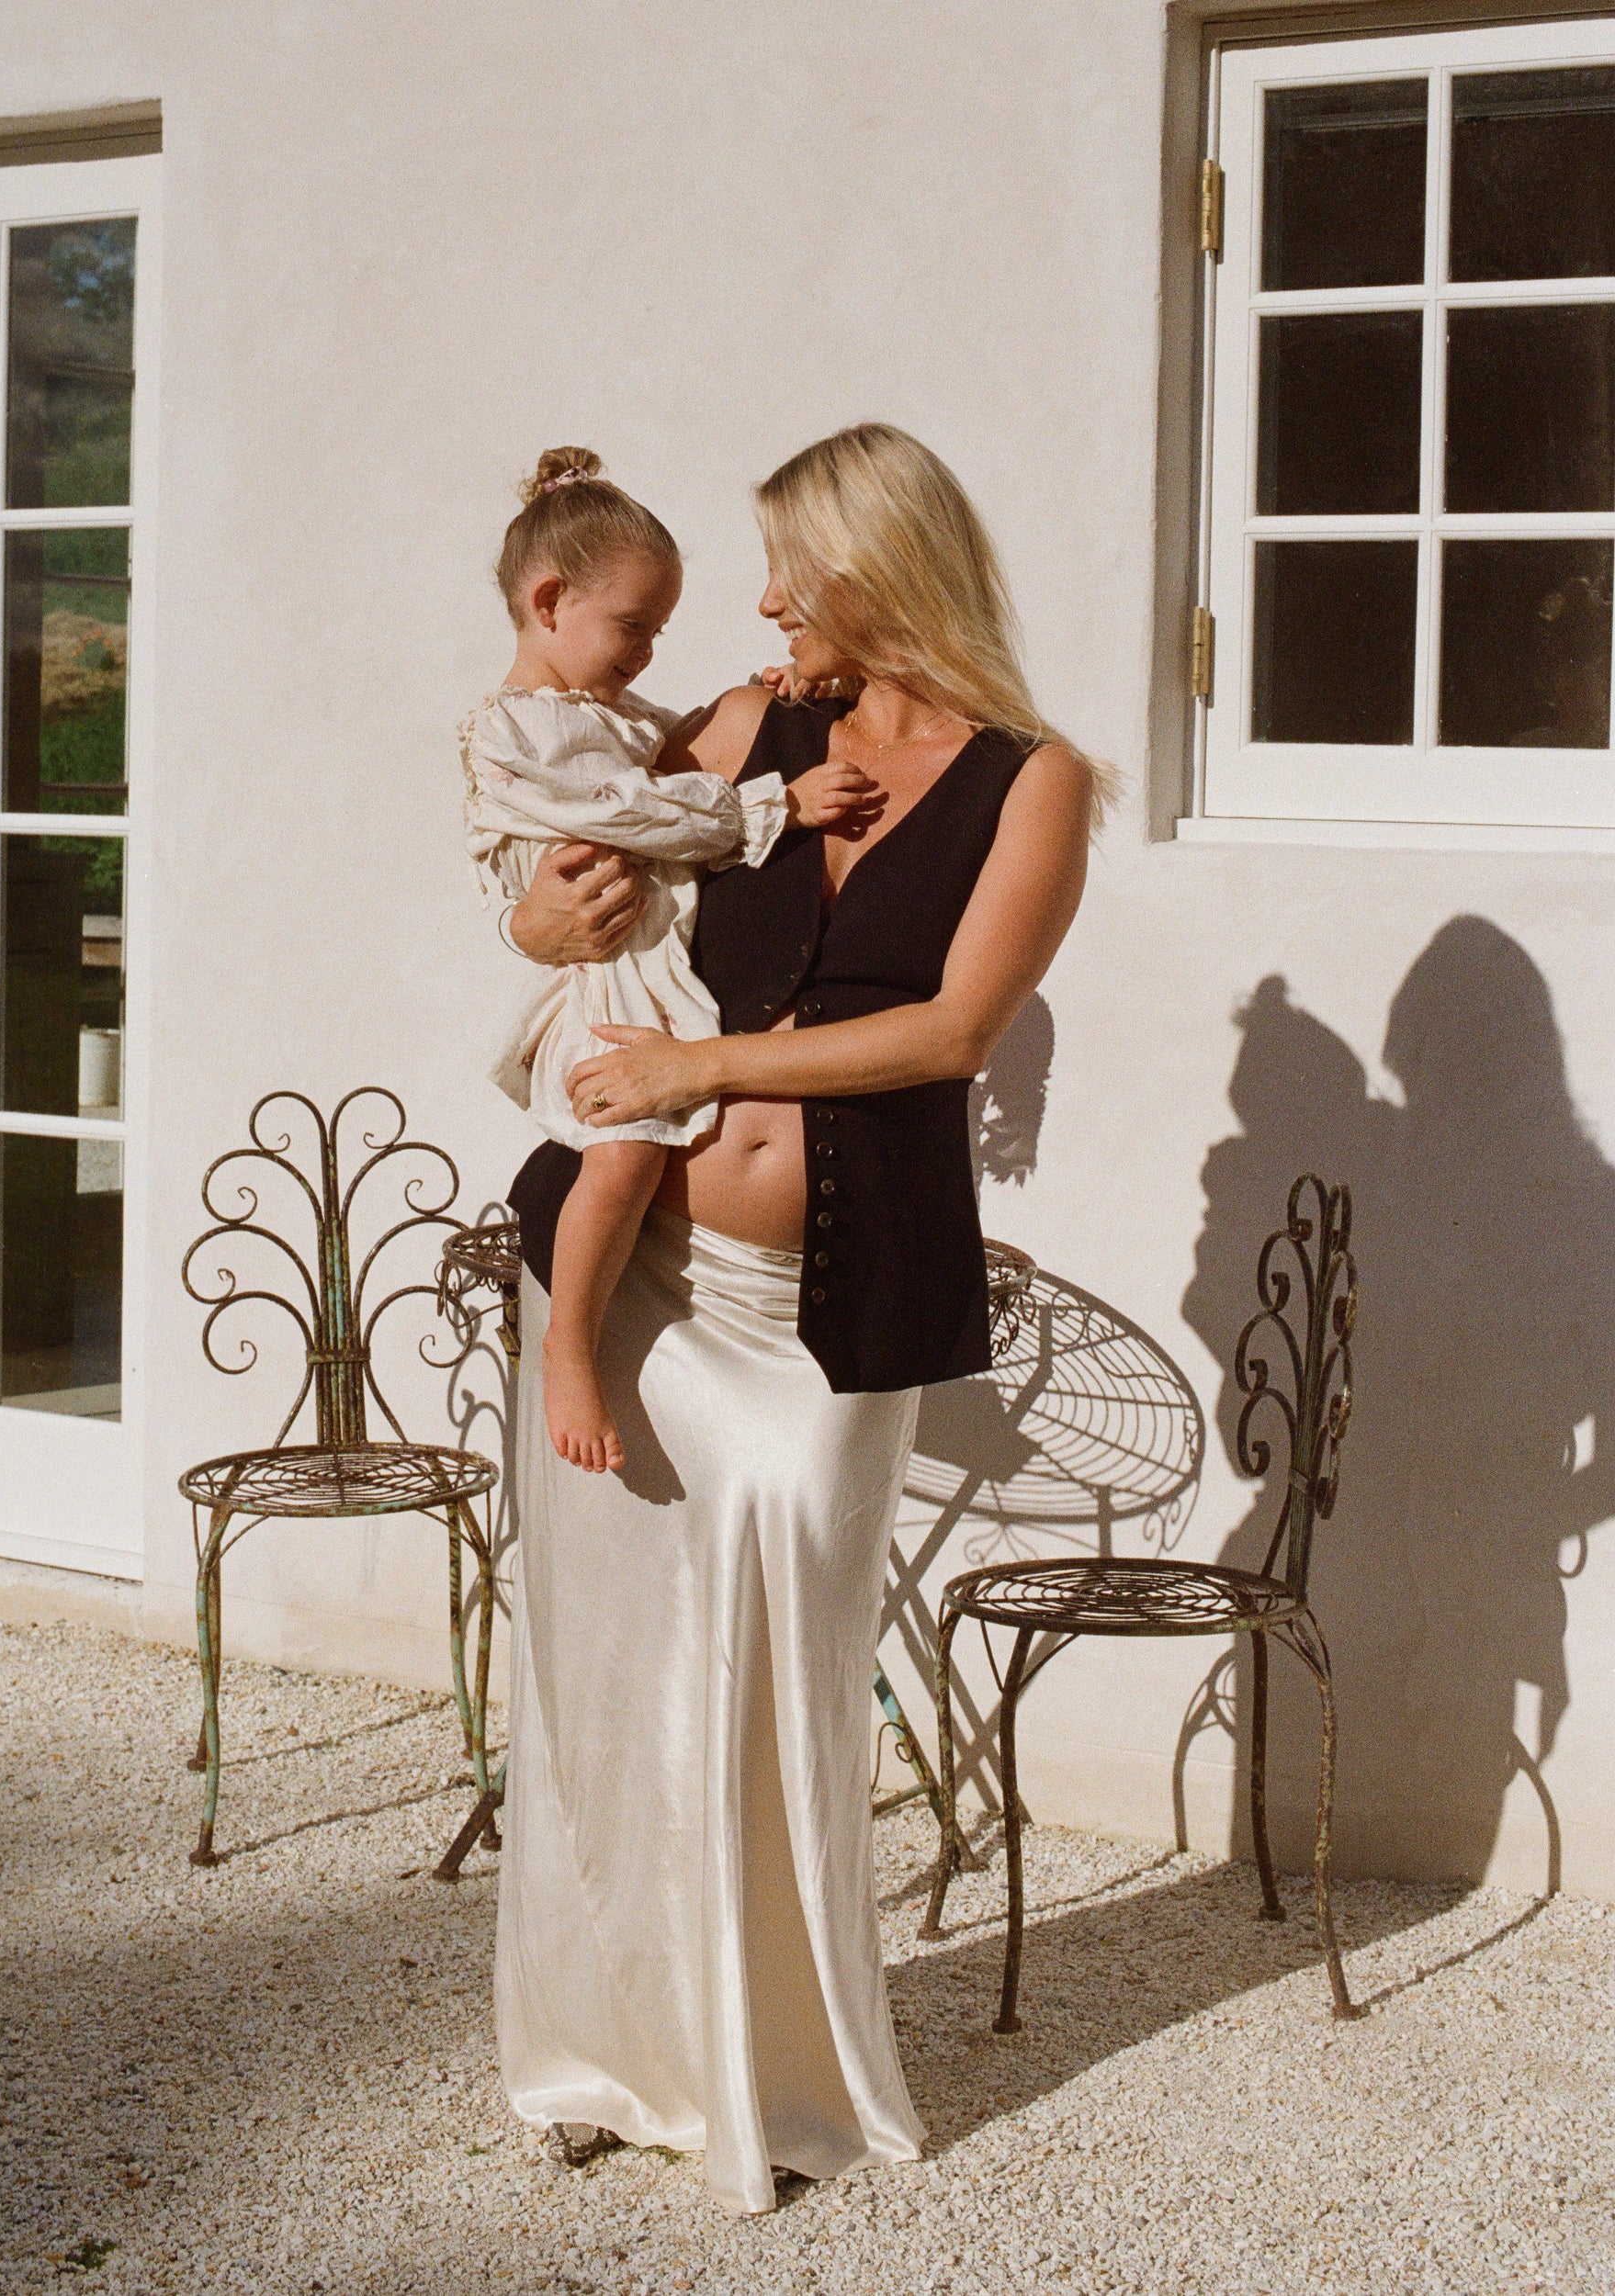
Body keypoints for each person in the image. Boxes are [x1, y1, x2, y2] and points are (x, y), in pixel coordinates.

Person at [492, 423, 1106, 2215]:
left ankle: (775, 2070)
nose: (758, 608)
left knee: (785, 1682)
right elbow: (555, 844)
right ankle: (604, 2046)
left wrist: (709, 1059)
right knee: (613, 1682)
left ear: (884, 572)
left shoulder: (1034, 780)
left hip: (830, 1299)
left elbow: (948, 1034)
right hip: (637, 1288)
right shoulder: (738, 731)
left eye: (789, 570)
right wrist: (536, 912)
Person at [461, 446, 875, 1470]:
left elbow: (680, 744)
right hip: (607, 977)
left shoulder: (602, 713)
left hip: (645, 962)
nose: (645, 653)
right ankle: (568, 1345)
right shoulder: (507, 731)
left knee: (639, 1143)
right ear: (547, 600)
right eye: (632, 627)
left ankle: (576, 1336)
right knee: (628, 1149)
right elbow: (634, 807)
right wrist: (771, 801)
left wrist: (769, 695)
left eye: (656, 631)